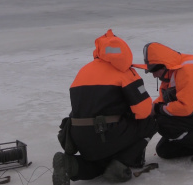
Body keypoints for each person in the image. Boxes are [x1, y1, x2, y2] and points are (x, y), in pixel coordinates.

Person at [53, 29, 157, 185]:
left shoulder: (84, 71)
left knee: (101, 163)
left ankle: (71, 165)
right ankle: (122, 162)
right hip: (107, 133)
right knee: (152, 121)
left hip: (79, 136)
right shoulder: (124, 72)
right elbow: (144, 111)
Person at [132, 42, 193, 164]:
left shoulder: (189, 69)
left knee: (163, 122)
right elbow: (162, 100)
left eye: (153, 71)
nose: (153, 75)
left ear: (164, 66)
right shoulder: (170, 74)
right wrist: (147, 110)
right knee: (164, 151)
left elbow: (186, 108)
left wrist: (158, 109)